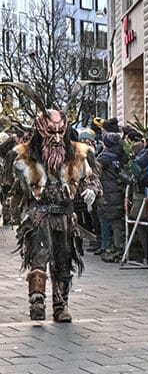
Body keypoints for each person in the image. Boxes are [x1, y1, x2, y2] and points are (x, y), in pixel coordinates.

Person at [8, 93, 99, 322]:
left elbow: (92, 177)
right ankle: (37, 301)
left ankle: (61, 306)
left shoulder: (79, 154)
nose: (57, 139)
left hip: (66, 217)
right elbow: (13, 185)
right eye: (51, 132)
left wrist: (91, 189)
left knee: (63, 260)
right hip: (38, 216)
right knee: (39, 258)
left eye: (61, 132)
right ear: (41, 131)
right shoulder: (24, 156)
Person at [96, 131, 127, 262]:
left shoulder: (105, 157)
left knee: (106, 220)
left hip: (107, 192)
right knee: (115, 221)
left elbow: (94, 170)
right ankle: (116, 247)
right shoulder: (119, 156)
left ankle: (110, 247)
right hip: (116, 191)